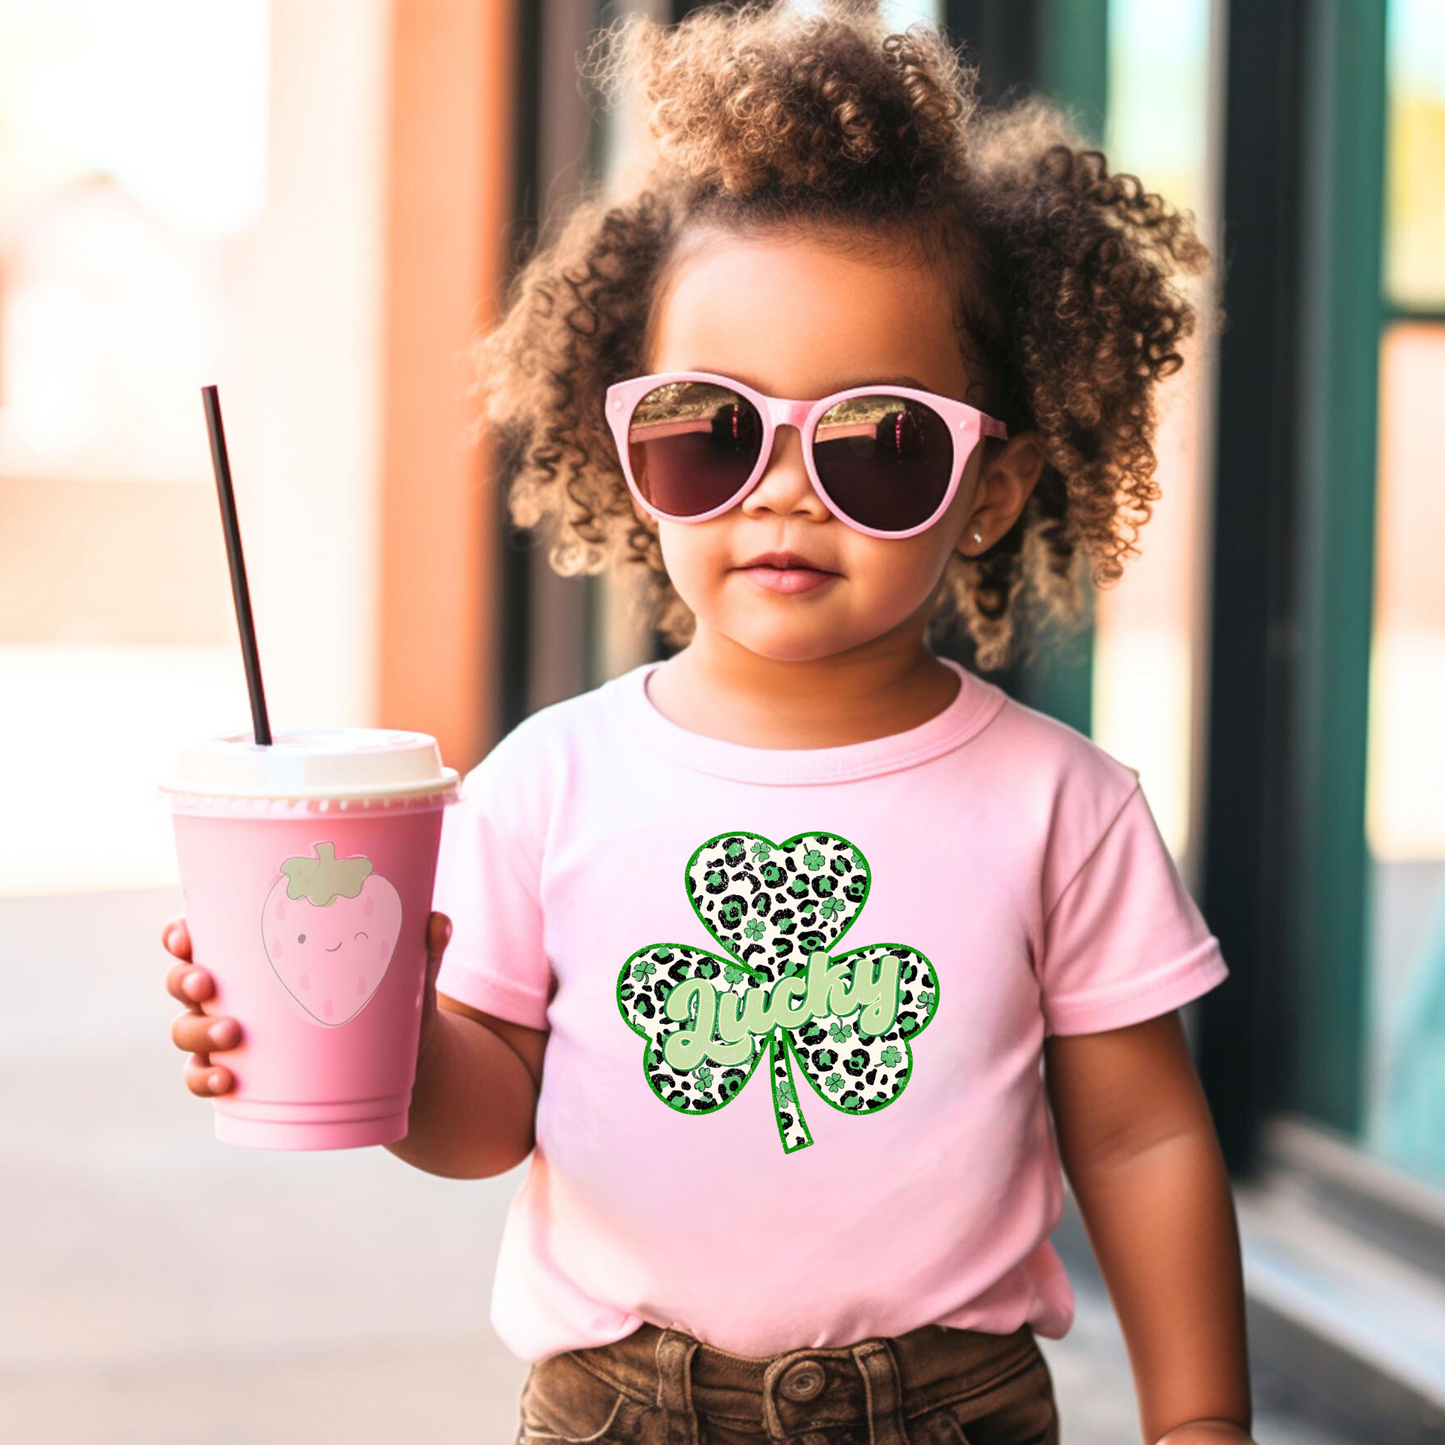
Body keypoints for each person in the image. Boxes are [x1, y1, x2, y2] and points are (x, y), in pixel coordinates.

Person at [163, 4, 1254, 1441]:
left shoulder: (1064, 805)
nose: (783, 490)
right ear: (630, 460)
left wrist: (1200, 1423)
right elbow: (491, 1115)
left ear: (990, 487)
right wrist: (374, 1034)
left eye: (879, 440)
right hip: (624, 1405)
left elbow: (1141, 1131)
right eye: (711, 428)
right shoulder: (549, 780)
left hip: (948, 1408)